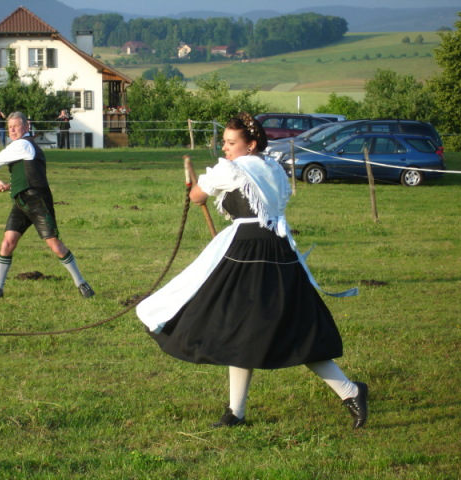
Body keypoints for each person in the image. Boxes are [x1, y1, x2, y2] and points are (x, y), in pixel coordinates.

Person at [136, 113, 368, 430]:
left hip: (248, 253)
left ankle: (350, 391)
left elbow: (197, 196)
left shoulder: (232, 169)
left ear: (251, 144)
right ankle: (237, 412)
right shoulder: (273, 167)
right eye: (224, 142)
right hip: (278, 248)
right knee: (252, 329)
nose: (225, 148)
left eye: (231, 143)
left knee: (265, 328)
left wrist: (194, 186)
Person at [0, 111, 94, 299]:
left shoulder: (23, 144)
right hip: (21, 201)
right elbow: (27, 175)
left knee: (55, 246)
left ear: (26, 126)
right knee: (7, 242)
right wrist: (8, 186)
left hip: (37, 201)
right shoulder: (21, 146)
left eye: (16, 126)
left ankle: (81, 283)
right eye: (10, 127)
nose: (12, 130)